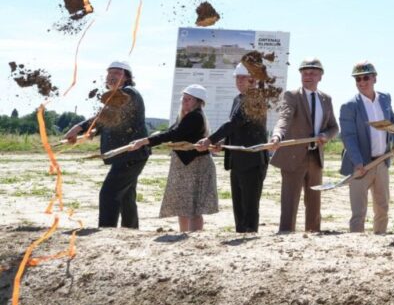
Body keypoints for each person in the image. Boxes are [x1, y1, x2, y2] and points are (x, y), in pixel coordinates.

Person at [64, 60, 149, 228]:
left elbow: (106, 115)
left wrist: (79, 127)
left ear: (126, 77)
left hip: (131, 153)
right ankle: (130, 231)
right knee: (126, 195)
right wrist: (91, 132)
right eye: (110, 73)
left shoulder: (128, 93)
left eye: (117, 73)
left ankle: (106, 231)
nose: (112, 76)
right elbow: (109, 121)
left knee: (109, 193)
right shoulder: (115, 97)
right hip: (128, 154)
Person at [129, 84, 218, 232]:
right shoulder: (184, 117)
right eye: (184, 99)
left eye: (189, 99)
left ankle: (193, 236)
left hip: (195, 165)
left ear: (198, 102)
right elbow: (169, 132)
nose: (184, 102)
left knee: (193, 207)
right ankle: (183, 234)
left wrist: (144, 141)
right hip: (184, 165)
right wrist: (149, 139)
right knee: (182, 205)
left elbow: (172, 135)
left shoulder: (195, 117)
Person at [268, 58, 339, 233]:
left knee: (314, 201)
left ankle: (313, 234)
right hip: (293, 158)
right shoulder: (292, 96)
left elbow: (334, 127)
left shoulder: (326, 99)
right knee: (290, 201)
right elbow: (284, 118)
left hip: (315, 158)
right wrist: (277, 135)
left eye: (313, 73)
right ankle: (285, 234)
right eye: (305, 73)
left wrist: (326, 135)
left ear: (320, 76)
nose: (308, 76)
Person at [198, 63, 269, 233]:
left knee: (249, 203)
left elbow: (234, 122)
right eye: (237, 77)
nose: (239, 80)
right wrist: (222, 146)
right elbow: (237, 129)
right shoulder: (238, 99)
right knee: (238, 202)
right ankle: (241, 232)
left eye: (243, 77)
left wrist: (210, 139)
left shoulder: (255, 98)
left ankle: (249, 235)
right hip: (238, 159)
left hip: (252, 159)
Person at [338, 61, 394, 234]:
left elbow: (393, 123)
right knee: (358, 212)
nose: (361, 82)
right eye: (357, 79)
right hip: (361, 165)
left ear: (375, 78)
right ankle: (357, 246)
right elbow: (349, 137)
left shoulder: (385, 98)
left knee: (382, 207)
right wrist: (358, 162)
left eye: (365, 77)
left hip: (382, 162)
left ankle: (380, 240)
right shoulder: (349, 106)